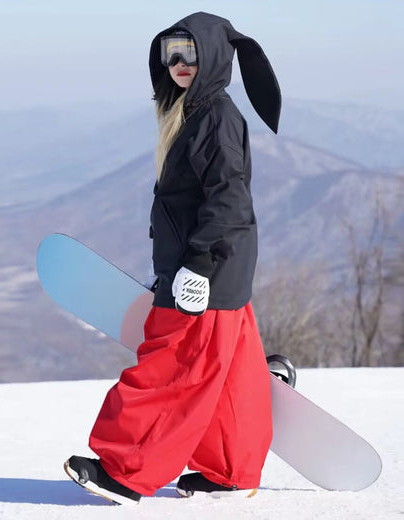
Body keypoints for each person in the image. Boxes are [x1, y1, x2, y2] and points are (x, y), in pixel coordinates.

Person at [64, 11, 281, 506]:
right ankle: (231, 470)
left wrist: (198, 265)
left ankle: (125, 471)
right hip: (218, 270)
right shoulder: (195, 111)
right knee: (226, 377)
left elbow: (229, 199)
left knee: (172, 370)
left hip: (208, 271)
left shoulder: (215, 117)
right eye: (172, 54)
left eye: (191, 53)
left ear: (215, 58)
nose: (181, 64)